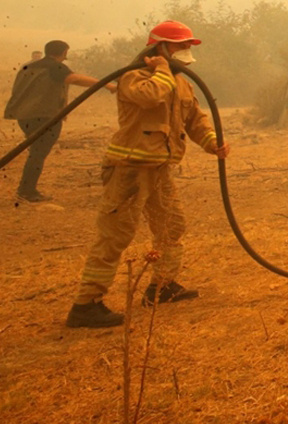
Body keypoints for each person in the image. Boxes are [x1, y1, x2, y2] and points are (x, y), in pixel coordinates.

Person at [66, 21, 230, 328]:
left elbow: (194, 118)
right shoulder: (134, 78)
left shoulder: (181, 83)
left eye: (188, 46)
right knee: (115, 236)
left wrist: (212, 143)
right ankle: (86, 304)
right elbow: (151, 96)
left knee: (172, 226)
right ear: (159, 49)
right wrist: (162, 70)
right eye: (180, 46)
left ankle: (162, 287)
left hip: (159, 170)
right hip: (129, 170)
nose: (186, 52)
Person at [5, 40, 115, 203]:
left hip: (24, 116)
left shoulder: (28, 67)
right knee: (38, 153)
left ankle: (27, 189)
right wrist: (107, 85)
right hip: (43, 117)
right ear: (63, 52)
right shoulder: (55, 67)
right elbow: (75, 79)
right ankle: (27, 191)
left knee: (36, 152)